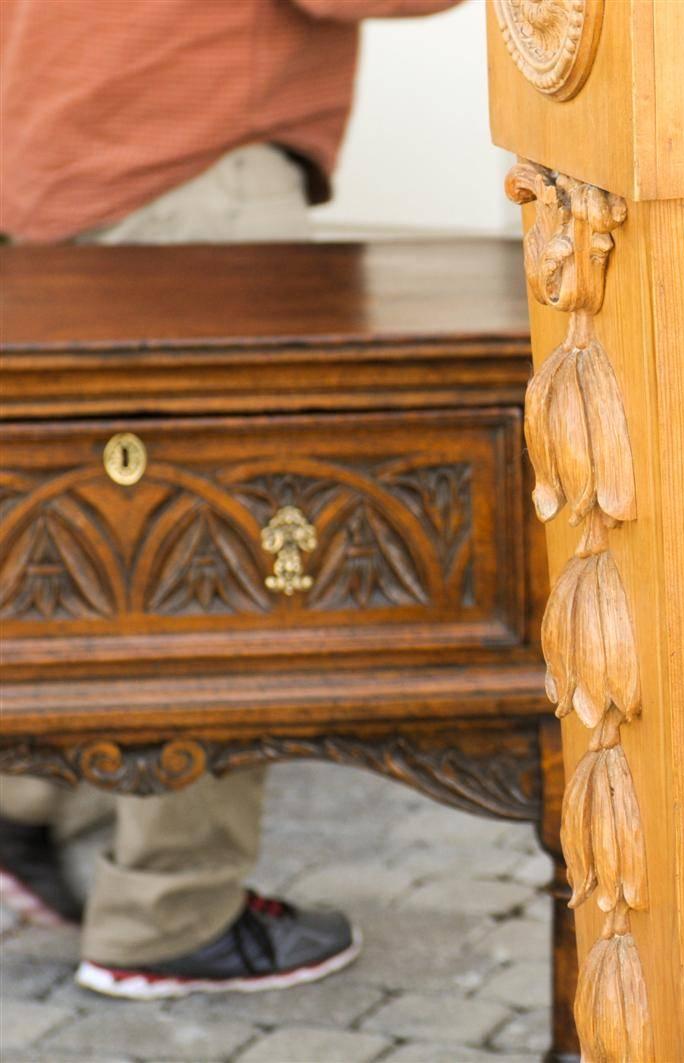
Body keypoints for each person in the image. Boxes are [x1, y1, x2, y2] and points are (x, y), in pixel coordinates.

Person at [0, 0, 459, 999]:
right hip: (186, 172)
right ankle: (169, 918)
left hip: (54, 166)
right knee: (216, 561)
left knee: (92, 539)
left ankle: (23, 806)